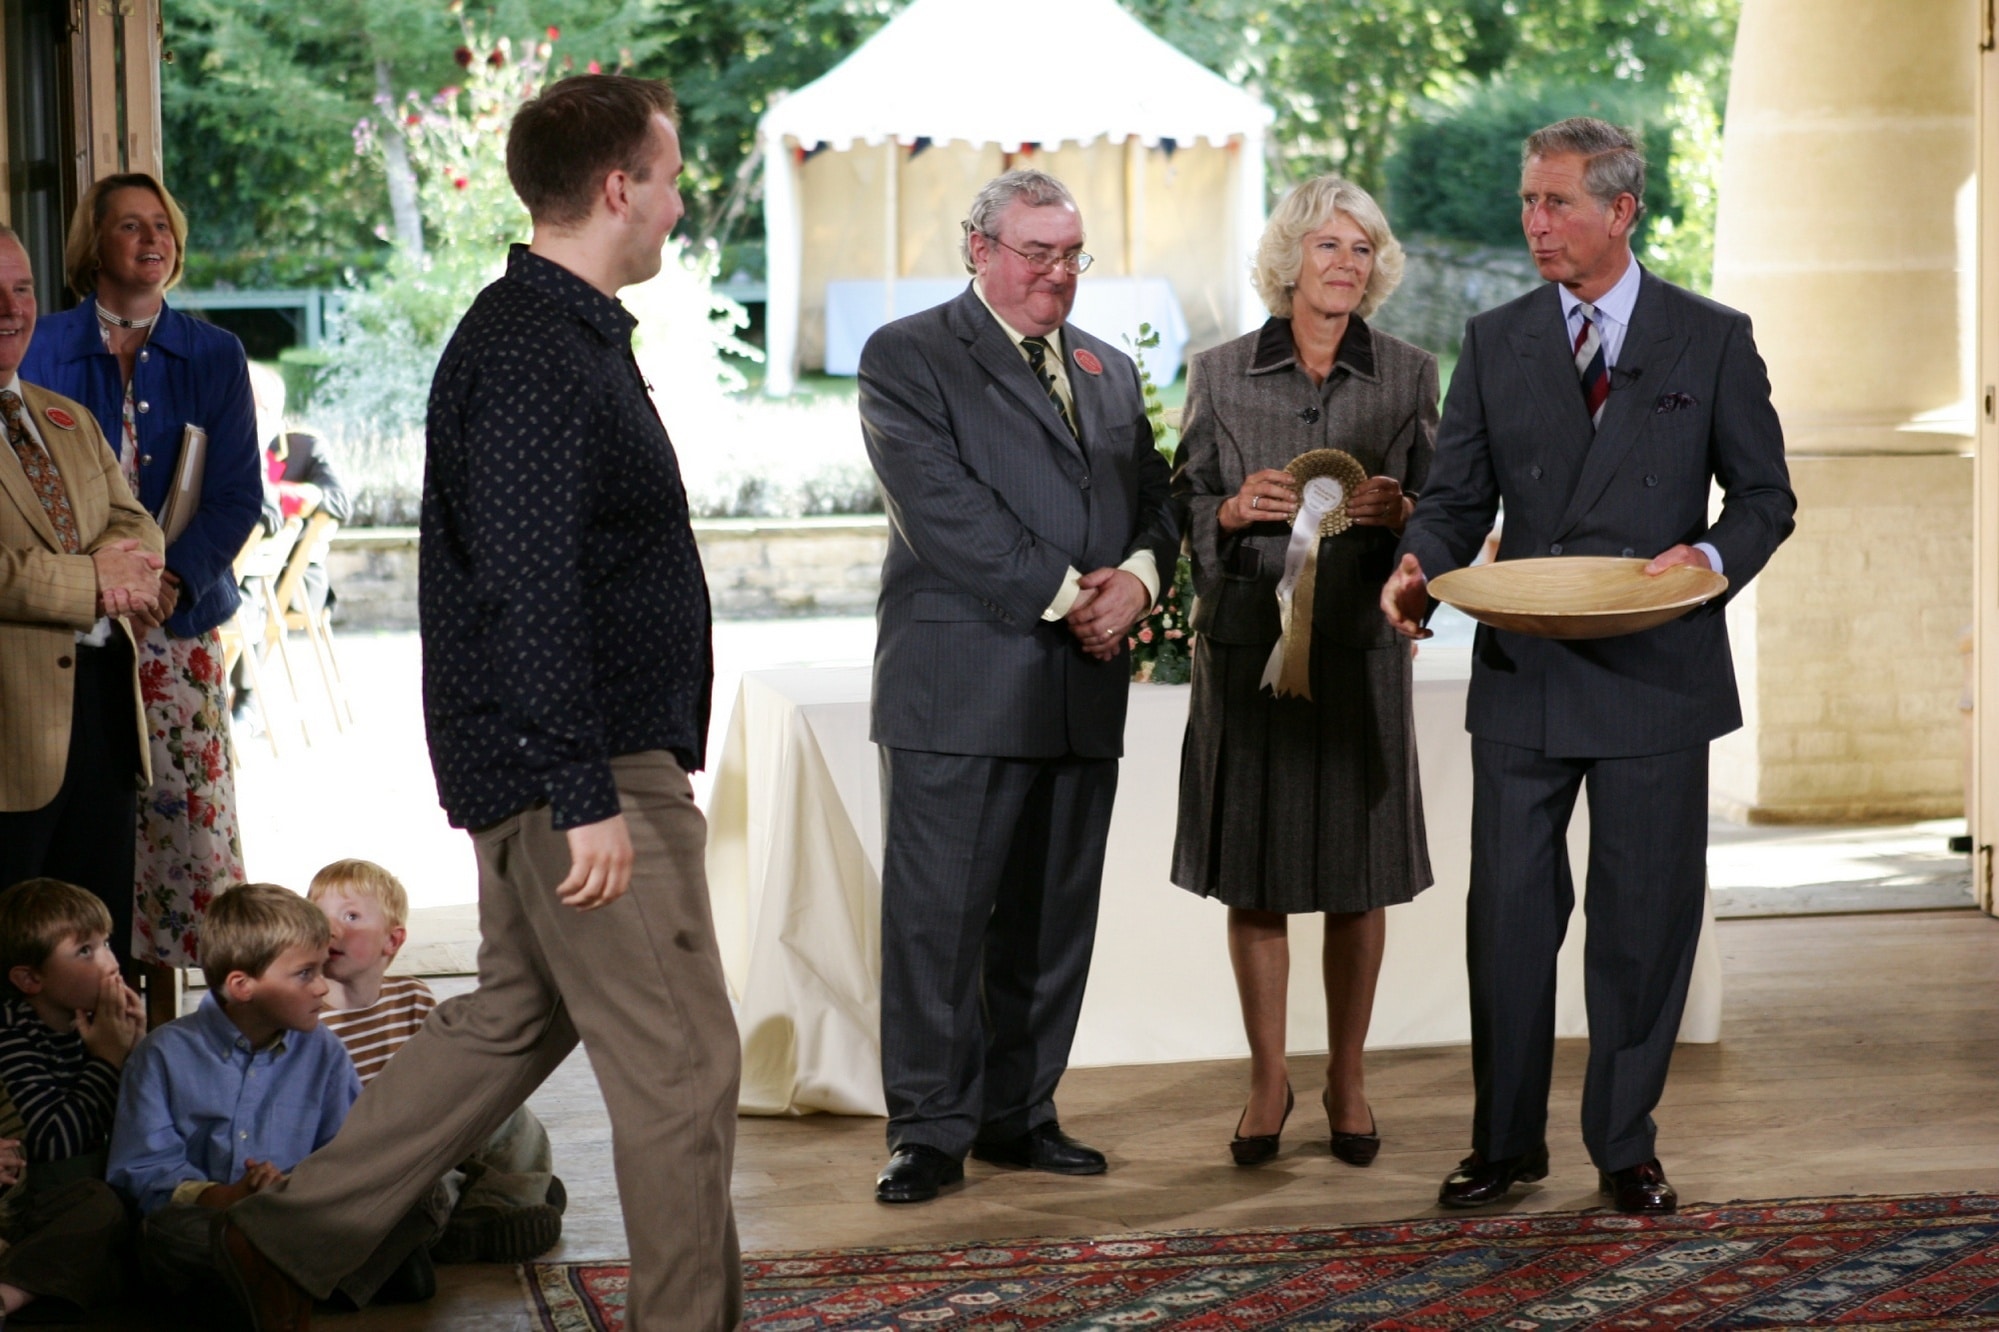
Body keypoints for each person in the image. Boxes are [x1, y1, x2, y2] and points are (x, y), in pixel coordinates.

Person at [220, 73, 741, 1332]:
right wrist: (585, 791)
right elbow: (523, 583)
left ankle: (283, 1236)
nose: (679, 203)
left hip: (563, 764)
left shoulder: (552, 336)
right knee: (683, 1071)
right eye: (669, 178)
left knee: (514, 1015)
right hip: (588, 770)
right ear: (618, 187)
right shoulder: (530, 349)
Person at [1382, 117, 1796, 1214]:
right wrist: (1417, 563)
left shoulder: (1710, 337)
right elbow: (1458, 496)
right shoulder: (1497, 336)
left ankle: (1625, 1147)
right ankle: (1504, 1145)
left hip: (1659, 671)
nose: (1533, 222)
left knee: (1641, 922)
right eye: (1527, 201)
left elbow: (1764, 499)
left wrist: (1705, 557)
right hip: (1524, 673)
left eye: (1555, 202)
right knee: (1508, 923)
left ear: (1620, 210)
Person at [859, 169, 1178, 1204]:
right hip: (961, 685)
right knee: (937, 924)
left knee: (1049, 923)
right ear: (978, 248)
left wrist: (1136, 580)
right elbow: (942, 512)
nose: (1057, 273)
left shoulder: (1108, 369)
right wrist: (1065, 595)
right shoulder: (906, 358)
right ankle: (927, 1129)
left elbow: (1155, 504)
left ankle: (1019, 1112)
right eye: (1036, 252)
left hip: (1081, 690)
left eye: (1072, 253)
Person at [1170, 176, 1436, 1168]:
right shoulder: (1220, 371)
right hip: (1249, 649)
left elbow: (1446, 505)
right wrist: (1231, 515)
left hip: (1361, 653)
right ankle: (1267, 1078)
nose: (1343, 265)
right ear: (1289, 256)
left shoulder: (1409, 374)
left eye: (1361, 250)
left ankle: (1348, 1077)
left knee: (1357, 880)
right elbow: (1185, 505)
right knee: (1259, 875)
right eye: (1327, 246)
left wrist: (1406, 516)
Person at [21, 172, 263, 997]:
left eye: (162, 225)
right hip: (71, 627)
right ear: (95, 243)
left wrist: (168, 583)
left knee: (182, 841)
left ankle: (166, 1029)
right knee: (88, 836)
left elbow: (237, 496)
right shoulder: (41, 344)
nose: (152, 240)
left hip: (178, 624)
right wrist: (102, 586)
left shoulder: (214, 352)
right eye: (130, 226)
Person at [106, 883, 441, 1311]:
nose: (323, 988)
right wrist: (229, 1196)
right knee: (162, 1236)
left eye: (322, 969)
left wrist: (291, 1189)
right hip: (214, 1224)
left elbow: (347, 1153)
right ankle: (330, 1283)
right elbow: (142, 1171)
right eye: (306, 974)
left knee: (423, 1193)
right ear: (243, 986)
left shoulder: (324, 1052)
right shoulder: (161, 1055)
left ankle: (280, 1286)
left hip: (297, 1219)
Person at [0, 223, 165, 951]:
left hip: (100, 718)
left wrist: (125, 569)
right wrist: (91, 581)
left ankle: (101, 1069)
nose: (12, 308)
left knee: (100, 954)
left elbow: (136, 524)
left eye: (23, 289)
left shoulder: (64, 418)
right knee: (18, 961)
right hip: (10, 736)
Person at [307, 858, 565, 1264]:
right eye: (320, 917)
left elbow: (445, 1074)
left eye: (352, 915)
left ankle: (498, 1202)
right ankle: (477, 1217)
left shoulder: (413, 997)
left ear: (391, 942)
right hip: (372, 1155)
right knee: (427, 1184)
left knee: (512, 1118)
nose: (332, 929)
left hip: (424, 1128)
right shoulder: (306, 1016)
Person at [0, 877, 144, 1320]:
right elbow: (53, 1144)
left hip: (80, 1193)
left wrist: (141, 1052)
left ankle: (40, 1278)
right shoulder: (11, 1033)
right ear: (30, 979)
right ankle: (12, 1293)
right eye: (85, 951)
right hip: (31, 1199)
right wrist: (109, 1060)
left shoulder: (108, 1025)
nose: (110, 962)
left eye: (105, 943)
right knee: (101, 1205)